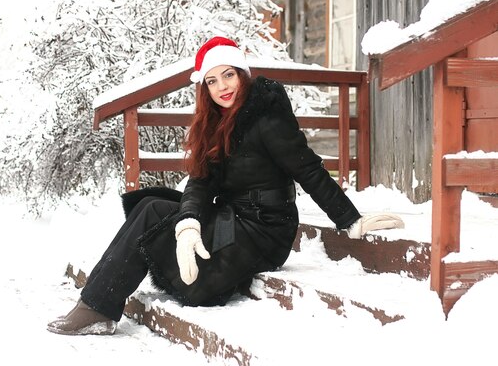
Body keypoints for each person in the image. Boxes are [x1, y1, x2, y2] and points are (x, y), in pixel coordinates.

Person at [46, 36, 404, 335]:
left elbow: (308, 170)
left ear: (242, 74)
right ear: (204, 88)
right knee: (151, 204)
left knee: (154, 212)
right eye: (212, 81)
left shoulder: (266, 117)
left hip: (265, 229)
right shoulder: (215, 124)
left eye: (228, 75)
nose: (222, 87)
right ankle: (98, 304)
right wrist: (188, 225)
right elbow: (200, 183)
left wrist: (349, 218)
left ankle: (97, 306)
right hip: (234, 218)